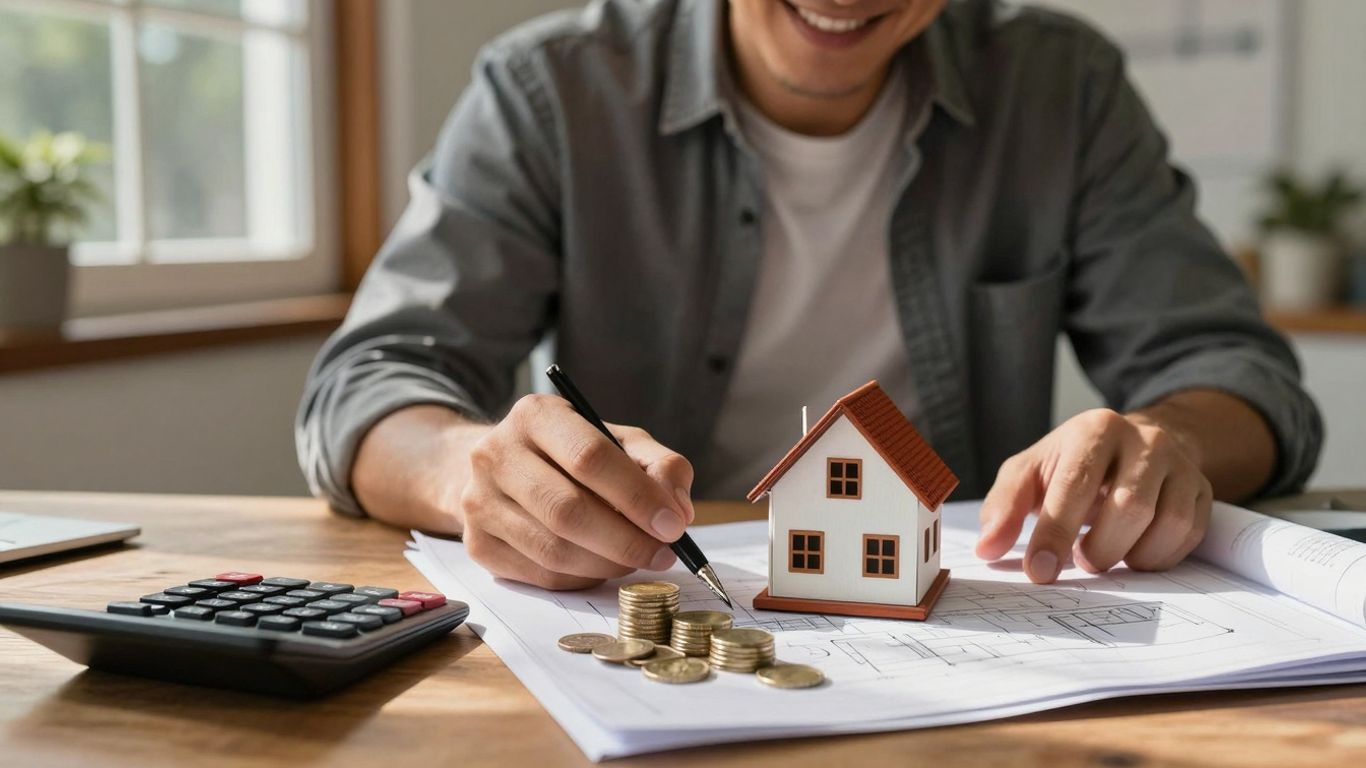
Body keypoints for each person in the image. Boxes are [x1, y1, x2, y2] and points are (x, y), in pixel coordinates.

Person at [297, 0, 1321, 592]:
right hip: (652, 615)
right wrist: (466, 466)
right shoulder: (549, 91)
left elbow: (1238, 377)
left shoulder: (1062, 87)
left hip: (960, 636)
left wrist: (1165, 443)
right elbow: (370, 382)